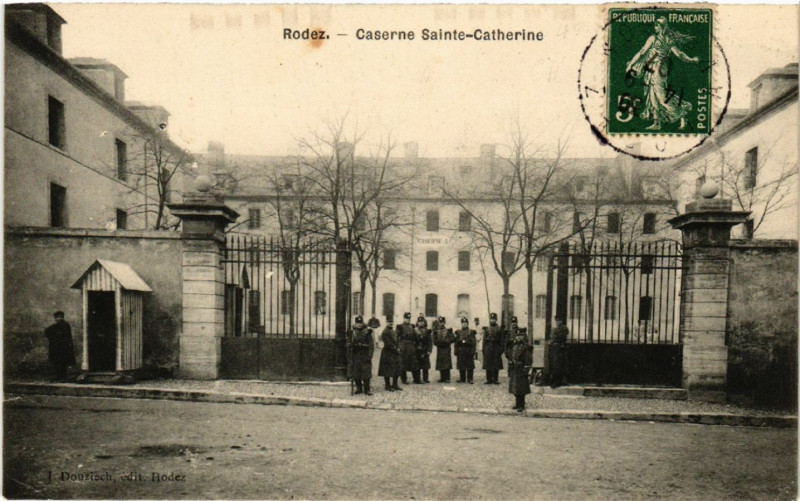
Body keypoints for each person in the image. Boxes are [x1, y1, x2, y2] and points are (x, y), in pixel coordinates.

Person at [625, 16, 700, 131]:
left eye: (657, 25)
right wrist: (691, 59)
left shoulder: (655, 39)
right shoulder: (666, 39)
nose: (655, 27)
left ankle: (681, 112)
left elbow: (642, 52)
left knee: (660, 95)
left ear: (662, 27)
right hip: (653, 68)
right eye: (655, 25)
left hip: (658, 68)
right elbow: (679, 54)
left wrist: (631, 65)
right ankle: (657, 122)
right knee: (652, 95)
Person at [507, 320, 533, 412]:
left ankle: (522, 405)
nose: (518, 338)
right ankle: (517, 404)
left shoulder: (525, 347)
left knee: (521, 389)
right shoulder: (514, 346)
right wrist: (510, 363)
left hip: (521, 370)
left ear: (523, 337)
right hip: (515, 369)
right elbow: (511, 355)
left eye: (520, 336)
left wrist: (525, 370)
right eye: (517, 336)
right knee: (515, 388)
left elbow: (529, 360)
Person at [347, 316, 375, 395]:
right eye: (357, 323)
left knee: (366, 372)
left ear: (362, 323)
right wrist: (350, 345)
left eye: (360, 323)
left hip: (365, 354)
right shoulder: (352, 333)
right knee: (356, 372)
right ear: (355, 323)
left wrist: (370, 355)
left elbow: (371, 345)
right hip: (356, 354)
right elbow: (348, 343)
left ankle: (367, 389)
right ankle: (359, 388)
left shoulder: (367, 332)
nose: (359, 325)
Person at [44, 311, 75, 382]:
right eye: (57, 317)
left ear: (62, 317)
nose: (58, 318)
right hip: (55, 348)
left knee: (62, 363)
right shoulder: (54, 326)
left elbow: (66, 336)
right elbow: (47, 332)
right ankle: (58, 376)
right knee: (56, 362)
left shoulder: (65, 325)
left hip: (63, 348)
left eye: (60, 317)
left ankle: (63, 377)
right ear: (55, 318)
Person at [378, 316, 403, 392]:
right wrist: (396, 349)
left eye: (392, 322)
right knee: (387, 370)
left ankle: (395, 384)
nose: (391, 323)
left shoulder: (393, 331)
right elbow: (388, 343)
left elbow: (397, 340)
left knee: (397, 368)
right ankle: (387, 385)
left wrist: (398, 347)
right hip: (388, 352)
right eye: (389, 322)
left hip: (394, 352)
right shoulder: (385, 332)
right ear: (386, 322)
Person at [481, 312, 505, 384]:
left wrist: (501, 349)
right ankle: (489, 379)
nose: (492, 321)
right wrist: (484, 349)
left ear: (496, 320)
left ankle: (495, 379)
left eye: (494, 319)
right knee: (488, 364)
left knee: (496, 364)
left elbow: (502, 340)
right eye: (491, 319)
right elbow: (484, 340)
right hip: (488, 348)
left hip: (496, 348)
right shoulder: (487, 329)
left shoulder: (499, 329)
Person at [397, 312, 419, 384]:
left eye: (409, 318)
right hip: (403, 346)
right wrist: (399, 346)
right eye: (406, 318)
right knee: (403, 363)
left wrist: (416, 345)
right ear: (404, 318)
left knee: (414, 362)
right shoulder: (400, 327)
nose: (408, 320)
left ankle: (416, 379)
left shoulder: (412, 327)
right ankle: (404, 379)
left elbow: (416, 337)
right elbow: (396, 337)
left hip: (411, 346)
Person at [432, 316, 455, 383]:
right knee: (441, 362)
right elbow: (434, 341)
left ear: (444, 323)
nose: (441, 324)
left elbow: (453, 339)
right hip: (440, 348)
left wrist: (447, 341)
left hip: (446, 348)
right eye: (440, 322)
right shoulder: (436, 331)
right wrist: (439, 343)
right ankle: (442, 377)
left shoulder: (448, 330)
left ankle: (447, 378)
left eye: (442, 322)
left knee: (447, 362)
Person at [454, 317, 477, 383]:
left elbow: (473, 343)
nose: (464, 324)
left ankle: (470, 379)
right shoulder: (458, 332)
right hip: (461, 350)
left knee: (470, 365)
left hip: (468, 350)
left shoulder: (471, 332)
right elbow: (456, 343)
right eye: (463, 323)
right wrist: (456, 350)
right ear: (461, 324)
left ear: (467, 324)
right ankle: (462, 378)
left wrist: (473, 351)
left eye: (465, 323)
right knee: (461, 365)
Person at [549, 318, 569, 388]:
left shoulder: (563, 329)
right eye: (556, 321)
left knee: (560, 365)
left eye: (558, 321)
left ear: (561, 321)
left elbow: (562, 337)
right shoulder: (555, 329)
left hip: (560, 348)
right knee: (555, 365)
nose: (557, 322)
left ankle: (559, 381)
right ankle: (555, 381)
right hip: (555, 349)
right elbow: (552, 338)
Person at [414, 315, 432, 384]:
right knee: (417, 365)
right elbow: (413, 341)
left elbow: (430, 342)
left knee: (425, 365)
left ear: (424, 323)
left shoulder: (427, 331)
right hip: (417, 350)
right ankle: (417, 379)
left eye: (422, 322)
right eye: (419, 322)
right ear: (417, 322)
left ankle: (425, 378)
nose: (421, 323)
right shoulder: (415, 331)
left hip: (425, 349)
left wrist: (429, 350)